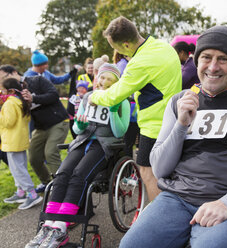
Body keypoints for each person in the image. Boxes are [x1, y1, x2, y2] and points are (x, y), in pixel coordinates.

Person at [120, 25, 227, 248]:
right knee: (131, 245)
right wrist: (181, 125)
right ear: (196, 61)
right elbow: (160, 169)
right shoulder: (180, 101)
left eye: (222, 59)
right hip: (177, 199)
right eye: (206, 57)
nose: (212, 66)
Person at [25, 64, 130, 248]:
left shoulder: (122, 101)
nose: (104, 82)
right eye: (102, 78)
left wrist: (113, 111)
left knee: (79, 176)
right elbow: (75, 128)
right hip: (82, 141)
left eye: (109, 79)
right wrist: (80, 125)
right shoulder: (87, 97)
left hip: (104, 144)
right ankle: (48, 224)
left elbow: (120, 130)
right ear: (97, 79)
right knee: (61, 174)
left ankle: (61, 227)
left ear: (116, 83)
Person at [88, 16, 182, 202]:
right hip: (175, 118)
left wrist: (94, 97)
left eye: (116, 47)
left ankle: (160, 219)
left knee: (148, 174)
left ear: (125, 44)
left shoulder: (139, 63)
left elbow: (114, 95)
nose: (116, 51)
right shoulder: (162, 46)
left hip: (154, 126)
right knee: (170, 175)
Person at [0, 65, 69, 193]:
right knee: (34, 157)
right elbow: (24, 116)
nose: (3, 82)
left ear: (14, 72)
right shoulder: (14, 94)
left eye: (5, 77)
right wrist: (30, 134)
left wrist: (34, 98)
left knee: (50, 153)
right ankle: (48, 183)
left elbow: (54, 95)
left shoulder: (36, 80)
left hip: (58, 122)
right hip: (40, 127)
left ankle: (61, 187)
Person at [0, 78, 42, 209]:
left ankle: (32, 194)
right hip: (19, 140)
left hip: (12, 141)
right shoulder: (21, 102)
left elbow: (8, 122)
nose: (1, 92)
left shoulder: (9, 104)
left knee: (18, 169)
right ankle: (21, 192)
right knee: (19, 167)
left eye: (3, 90)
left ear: (11, 91)